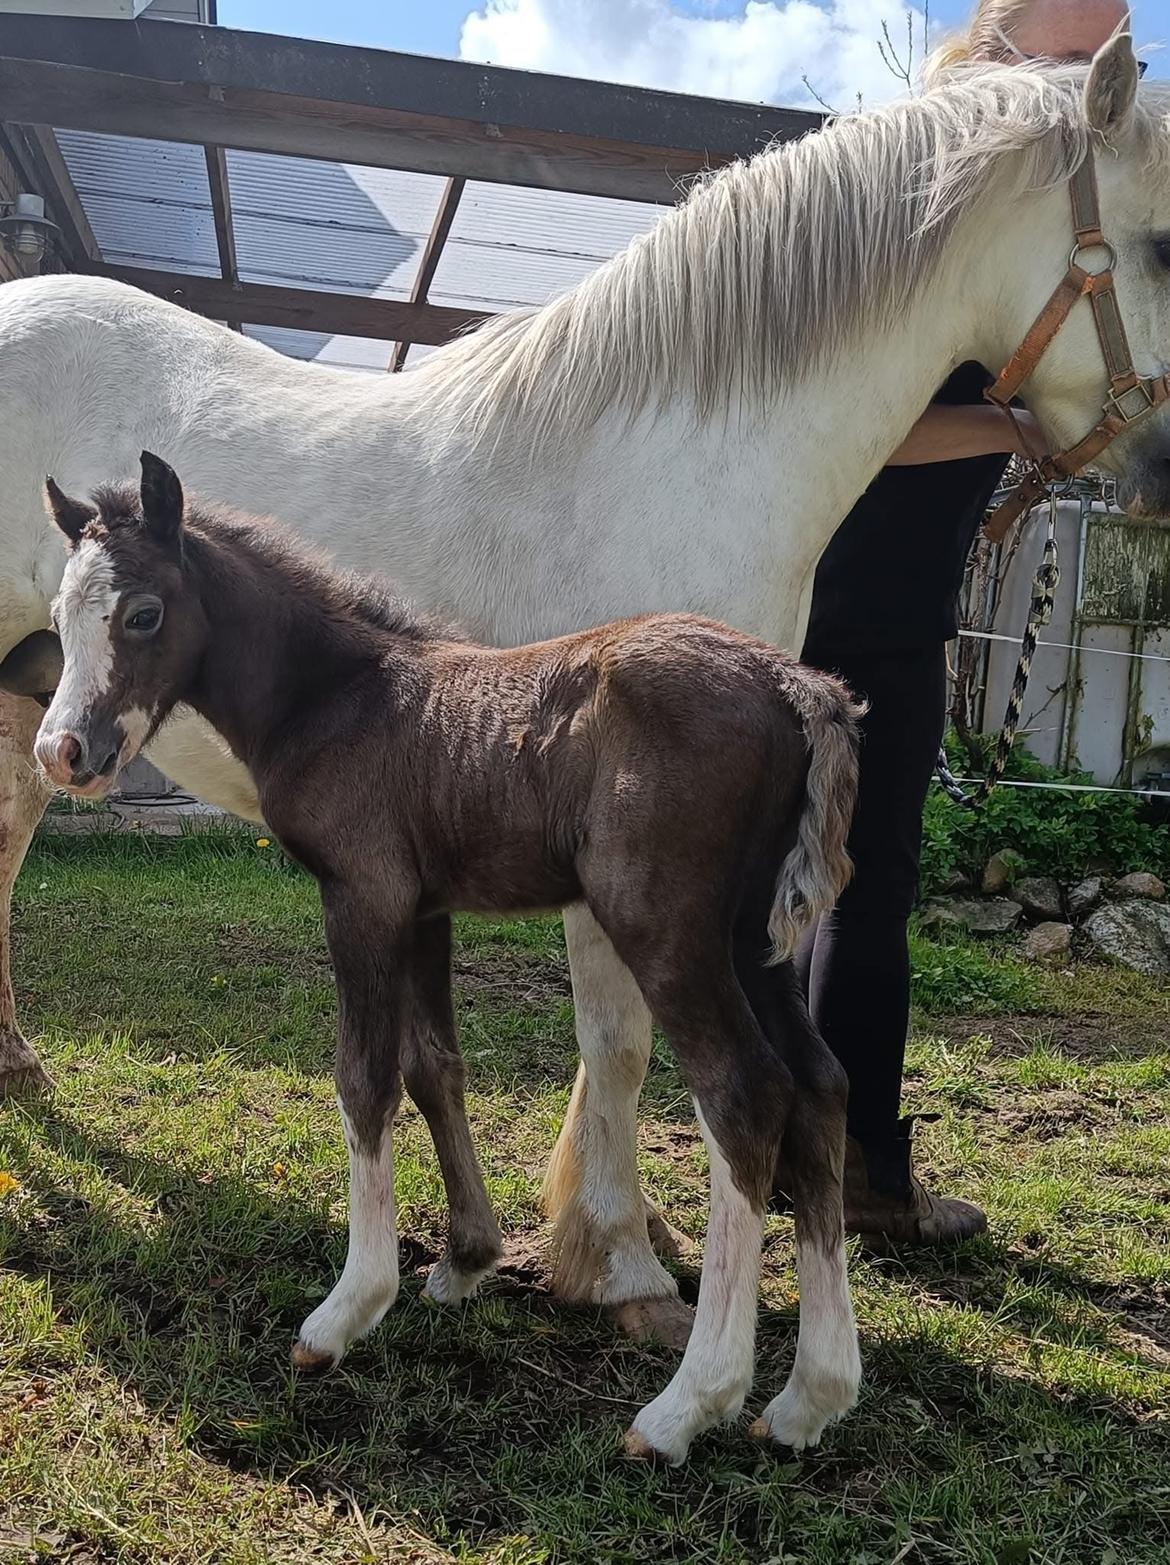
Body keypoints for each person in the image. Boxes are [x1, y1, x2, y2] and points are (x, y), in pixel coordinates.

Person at [794, 0, 1133, 1243]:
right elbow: (870, 422)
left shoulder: (964, 198)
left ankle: (808, 1150)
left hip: (854, 594)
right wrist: (1015, 425)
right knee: (861, 889)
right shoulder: (954, 192)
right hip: (866, 607)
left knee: (817, 889)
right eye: (1087, 44)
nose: (1112, 61)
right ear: (1009, 35)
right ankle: (860, 1172)